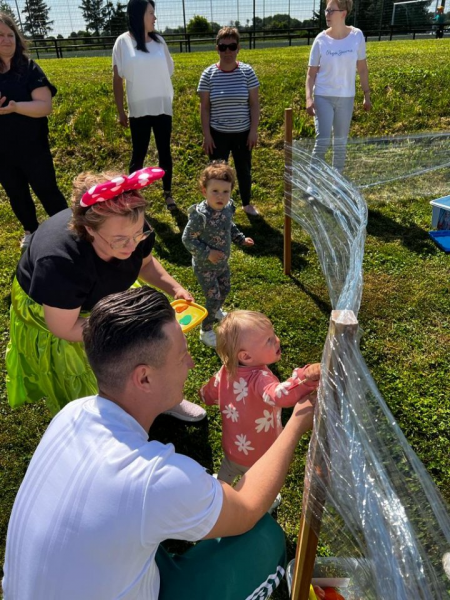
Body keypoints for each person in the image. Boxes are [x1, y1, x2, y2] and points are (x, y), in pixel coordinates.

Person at [2, 286, 317, 600]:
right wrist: (296, 425)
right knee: (264, 536)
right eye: (182, 356)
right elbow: (247, 509)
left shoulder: (73, 414)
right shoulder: (156, 478)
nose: (192, 364)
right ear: (144, 378)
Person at [6, 167, 205, 422]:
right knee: (90, 375)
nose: (133, 246)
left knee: (142, 348)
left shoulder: (131, 229)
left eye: (138, 234)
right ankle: (103, 424)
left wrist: (173, 287)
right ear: (89, 229)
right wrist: (126, 328)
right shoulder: (61, 262)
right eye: (121, 240)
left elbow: (144, 264)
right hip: (60, 312)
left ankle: (161, 398)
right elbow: (65, 328)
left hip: (101, 294)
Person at [200, 310, 321, 500]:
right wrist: (304, 379)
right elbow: (279, 396)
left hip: (232, 449)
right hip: (258, 455)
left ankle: (218, 495)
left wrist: (202, 393)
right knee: (256, 489)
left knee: (226, 476)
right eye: (269, 340)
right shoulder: (260, 379)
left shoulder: (224, 372)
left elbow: (208, 394)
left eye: (273, 335)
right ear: (246, 357)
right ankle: (264, 503)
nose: (277, 340)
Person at [0, 12, 67, 248]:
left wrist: (15, 107)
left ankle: (68, 230)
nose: (6, 40)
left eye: (10, 35)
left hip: (32, 146)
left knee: (47, 189)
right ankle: (31, 231)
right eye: (0, 35)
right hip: (3, 151)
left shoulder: (28, 68)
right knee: (16, 193)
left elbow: (44, 106)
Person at [113, 0, 177, 211]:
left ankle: (168, 194)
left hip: (162, 106)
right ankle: (132, 195)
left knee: (164, 151)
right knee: (138, 154)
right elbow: (117, 79)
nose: (154, 17)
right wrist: (121, 111)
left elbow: (168, 70)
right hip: (138, 109)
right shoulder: (122, 42)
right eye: (151, 13)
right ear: (139, 15)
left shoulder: (160, 42)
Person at [182, 161, 254, 348]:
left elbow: (229, 226)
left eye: (225, 191)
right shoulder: (201, 216)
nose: (220, 196)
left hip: (222, 264)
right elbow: (187, 239)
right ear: (204, 191)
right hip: (205, 266)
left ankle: (214, 311)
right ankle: (205, 330)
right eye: (215, 191)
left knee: (225, 289)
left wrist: (241, 239)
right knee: (213, 297)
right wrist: (207, 253)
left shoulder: (228, 207)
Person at [198, 26, 260, 216]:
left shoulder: (247, 72)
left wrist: (253, 131)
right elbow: (205, 107)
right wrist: (207, 135)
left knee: (244, 170)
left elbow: (254, 104)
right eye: (223, 47)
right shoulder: (208, 75)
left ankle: (247, 203)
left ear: (238, 48)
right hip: (218, 133)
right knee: (217, 173)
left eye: (232, 47)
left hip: (243, 132)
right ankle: (216, 207)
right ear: (217, 48)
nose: (227, 52)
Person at [305, 0, 371, 174]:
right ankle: (313, 182)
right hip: (323, 96)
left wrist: (367, 94)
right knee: (324, 140)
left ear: (343, 13)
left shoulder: (357, 36)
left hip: (346, 97)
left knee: (340, 141)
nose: (327, 14)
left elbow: (362, 69)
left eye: (331, 10)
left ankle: (336, 181)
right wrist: (309, 98)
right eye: (326, 10)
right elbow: (311, 74)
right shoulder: (320, 40)